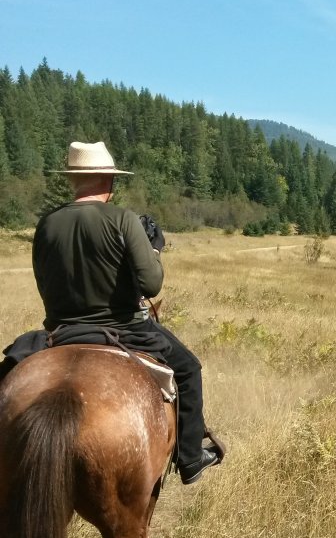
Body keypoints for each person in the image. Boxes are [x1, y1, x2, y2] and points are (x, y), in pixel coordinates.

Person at [23, 141, 221, 484]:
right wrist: (154, 250)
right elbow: (151, 284)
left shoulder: (46, 224)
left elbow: (44, 282)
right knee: (189, 369)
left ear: (73, 180)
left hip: (59, 332)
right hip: (126, 329)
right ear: (109, 181)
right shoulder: (122, 219)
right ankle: (190, 458)